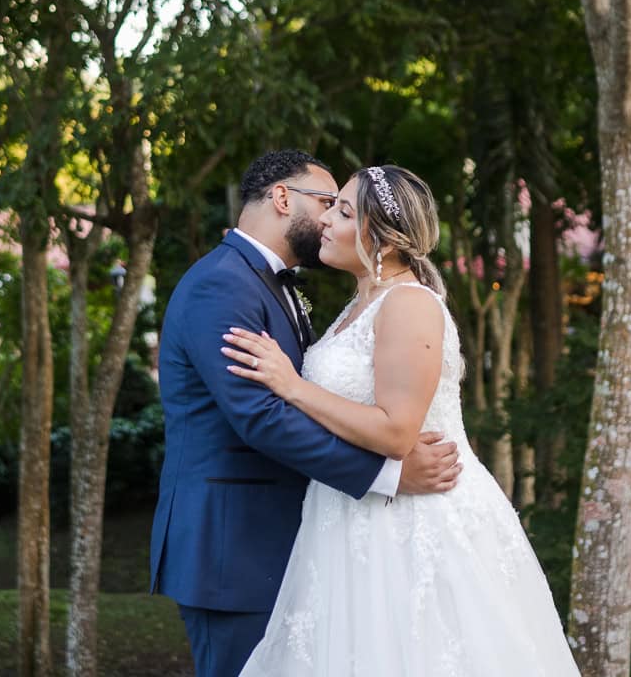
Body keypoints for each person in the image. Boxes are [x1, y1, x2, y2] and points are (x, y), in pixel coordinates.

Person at [223, 164, 581, 676]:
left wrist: (292, 386)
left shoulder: (409, 304)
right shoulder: (357, 306)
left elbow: (396, 432)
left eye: (343, 211)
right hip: (347, 517)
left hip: (412, 522)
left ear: (383, 240)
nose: (326, 220)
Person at [150, 151, 465, 677]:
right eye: (326, 203)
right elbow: (259, 416)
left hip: (301, 538)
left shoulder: (282, 284)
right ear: (280, 198)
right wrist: (389, 474)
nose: (326, 219)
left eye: (339, 209)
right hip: (234, 548)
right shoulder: (223, 283)